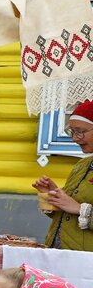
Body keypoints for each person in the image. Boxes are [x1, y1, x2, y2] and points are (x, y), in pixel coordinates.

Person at [34, 99, 93, 252]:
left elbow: (75, 209)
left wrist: (80, 209)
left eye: (80, 131)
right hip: (61, 253)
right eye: (71, 131)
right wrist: (51, 196)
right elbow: (63, 216)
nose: (74, 138)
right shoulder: (82, 165)